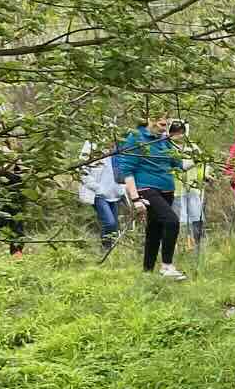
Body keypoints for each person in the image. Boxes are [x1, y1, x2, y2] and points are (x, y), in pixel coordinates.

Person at [116, 118, 187, 279]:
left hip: (167, 189)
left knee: (155, 229)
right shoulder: (136, 138)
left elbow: (178, 164)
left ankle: (147, 272)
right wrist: (135, 199)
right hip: (146, 188)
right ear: (149, 119)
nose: (165, 128)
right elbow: (127, 170)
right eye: (162, 124)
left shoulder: (164, 140)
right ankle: (167, 266)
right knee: (171, 221)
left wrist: (196, 157)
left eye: (166, 125)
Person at [77, 139, 124, 258]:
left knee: (113, 226)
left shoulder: (118, 151)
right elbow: (82, 171)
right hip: (98, 194)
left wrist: (122, 189)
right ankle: (105, 250)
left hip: (114, 193)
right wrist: (97, 188)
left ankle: (106, 253)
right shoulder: (92, 146)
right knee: (109, 223)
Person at [174, 127, 210, 250]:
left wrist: (205, 175)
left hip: (193, 189)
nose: (178, 134)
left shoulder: (193, 147)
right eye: (174, 130)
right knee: (182, 221)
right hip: (175, 191)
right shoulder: (167, 147)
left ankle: (199, 248)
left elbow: (202, 165)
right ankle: (182, 248)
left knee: (197, 218)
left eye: (181, 131)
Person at [0, 139, 26, 257]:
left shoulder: (13, 152)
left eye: (0, 129)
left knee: (16, 222)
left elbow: (22, 174)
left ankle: (17, 254)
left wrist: (13, 162)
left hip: (11, 192)